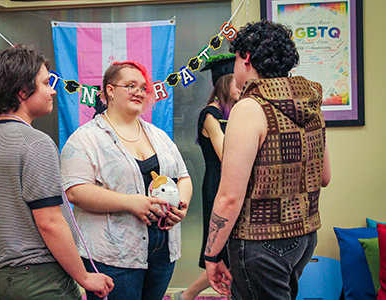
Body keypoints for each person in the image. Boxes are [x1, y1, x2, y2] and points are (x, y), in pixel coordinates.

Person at [0, 45, 114, 300]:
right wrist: (83, 276)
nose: (52, 90)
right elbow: (49, 222)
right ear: (23, 92)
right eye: (46, 83)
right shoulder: (35, 142)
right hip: (37, 278)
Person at [204, 19, 331, 300]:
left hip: (261, 242)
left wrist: (211, 254)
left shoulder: (250, 107)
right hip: (305, 236)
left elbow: (229, 197)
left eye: (236, 58)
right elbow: (323, 177)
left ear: (246, 57)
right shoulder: (309, 101)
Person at [60, 60, 193, 300]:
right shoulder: (85, 139)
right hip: (113, 255)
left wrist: (181, 205)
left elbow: (183, 177)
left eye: (143, 88)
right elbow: (76, 192)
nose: (139, 92)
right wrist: (131, 202)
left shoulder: (158, 135)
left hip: (163, 249)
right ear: (109, 90)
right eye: (131, 85)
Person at [173, 73, 240, 300]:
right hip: (218, 184)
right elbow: (225, 155)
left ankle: (187, 295)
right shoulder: (210, 114)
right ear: (223, 84)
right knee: (221, 247)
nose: (241, 87)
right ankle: (188, 294)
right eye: (236, 83)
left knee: (233, 248)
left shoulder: (231, 112)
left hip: (234, 184)